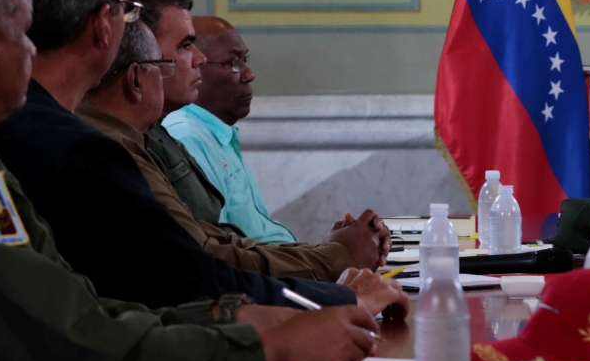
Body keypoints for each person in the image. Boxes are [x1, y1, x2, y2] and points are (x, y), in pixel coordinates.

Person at [0, 0, 384, 361]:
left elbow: (83, 306)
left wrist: (229, 317)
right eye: (21, 30)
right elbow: (77, 344)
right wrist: (266, 348)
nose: (32, 49)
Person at [0, 0, 405, 315]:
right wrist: (339, 295)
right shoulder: (85, 149)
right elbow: (192, 274)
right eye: (123, 8)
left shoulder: (10, 127)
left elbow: (208, 246)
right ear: (103, 27)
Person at [77, 20, 397, 285]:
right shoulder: (115, 148)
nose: (197, 61)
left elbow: (216, 236)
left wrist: (327, 252)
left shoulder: (132, 139)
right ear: (135, 79)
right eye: (179, 53)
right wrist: (334, 258)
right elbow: (203, 258)